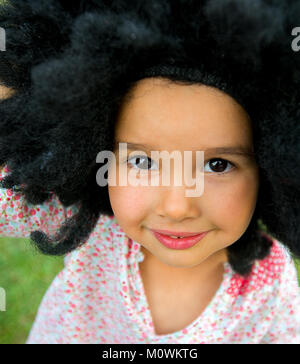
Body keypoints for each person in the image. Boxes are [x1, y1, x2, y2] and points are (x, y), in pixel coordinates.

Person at [0, 0, 299, 344]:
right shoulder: (85, 220)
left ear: (271, 166)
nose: (176, 207)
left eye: (218, 165)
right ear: (92, 150)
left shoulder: (271, 289)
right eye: (141, 162)